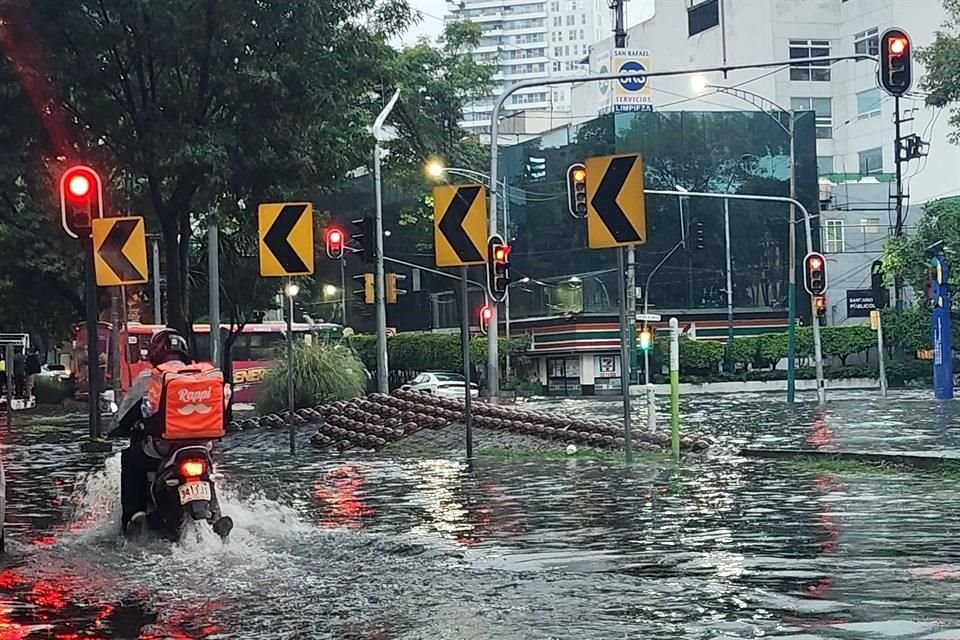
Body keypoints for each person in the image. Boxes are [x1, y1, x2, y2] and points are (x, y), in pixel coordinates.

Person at [112, 328, 192, 533]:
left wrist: (119, 428)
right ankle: (216, 514)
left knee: (129, 458)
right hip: (200, 447)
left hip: (161, 450)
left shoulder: (151, 377)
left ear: (155, 354)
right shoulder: (200, 375)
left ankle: (133, 515)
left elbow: (127, 414)